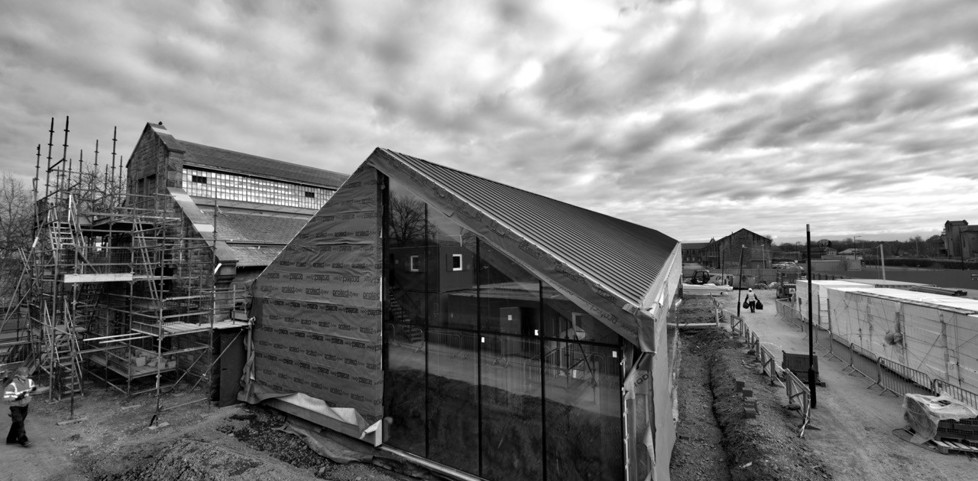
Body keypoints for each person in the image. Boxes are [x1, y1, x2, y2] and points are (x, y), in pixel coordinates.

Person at [4, 367, 35, 447]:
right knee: (20, 422)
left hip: (25, 405)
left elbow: (32, 388)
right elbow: (6, 397)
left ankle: (11, 439)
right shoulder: (12, 385)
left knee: (17, 423)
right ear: (18, 376)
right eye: (24, 375)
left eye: (27, 374)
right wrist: (17, 397)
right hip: (15, 406)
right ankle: (23, 440)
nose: (26, 376)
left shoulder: (30, 381)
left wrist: (33, 390)